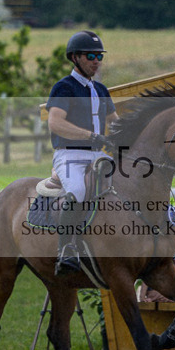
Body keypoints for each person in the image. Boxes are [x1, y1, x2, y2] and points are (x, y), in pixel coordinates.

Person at [47, 30, 119, 272]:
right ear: (75, 57)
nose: (96, 60)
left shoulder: (100, 89)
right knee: (77, 189)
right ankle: (65, 249)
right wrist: (92, 136)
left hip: (98, 155)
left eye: (99, 55)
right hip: (70, 154)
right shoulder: (64, 87)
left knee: (126, 183)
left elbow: (116, 122)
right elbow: (55, 123)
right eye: (90, 55)